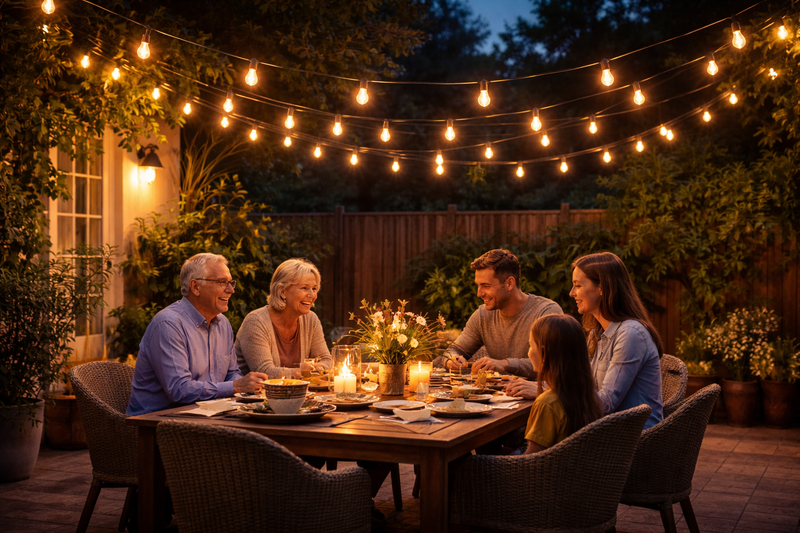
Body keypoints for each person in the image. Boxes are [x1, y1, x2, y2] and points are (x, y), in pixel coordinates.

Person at [127, 253, 267, 417]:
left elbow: (231, 373)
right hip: (155, 424)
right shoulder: (169, 324)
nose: (231, 290)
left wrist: (249, 386)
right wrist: (236, 386)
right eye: (222, 282)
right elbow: (179, 390)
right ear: (195, 287)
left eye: (231, 283)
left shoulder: (223, 324)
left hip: (206, 417)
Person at [435, 249, 563, 386]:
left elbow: (554, 363)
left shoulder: (546, 312)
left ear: (509, 283)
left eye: (486, 286)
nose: (479, 293)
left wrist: (506, 364)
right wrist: (451, 360)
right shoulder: (482, 315)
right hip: (497, 399)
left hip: (538, 399)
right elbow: (453, 350)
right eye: (478, 285)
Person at [571, 252, 663, 429]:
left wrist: (554, 391)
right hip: (608, 431)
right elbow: (586, 386)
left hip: (632, 441)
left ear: (602, 288)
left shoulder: (630, 334)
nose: (571, 293)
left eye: (577, 285)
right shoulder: (596, 333)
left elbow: (605, 404)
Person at [235, 258, 331, 377]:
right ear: (282, 292)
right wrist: (301, 371)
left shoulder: (311, 320)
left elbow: (326, 360)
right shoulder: (256, 322)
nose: (312, 295)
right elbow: (264, 372)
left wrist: (318, 368)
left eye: (314, 289)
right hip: (256, 395)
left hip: (296, 394)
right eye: (304, 288)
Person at [523, 314, 604, 453]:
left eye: (531, 346)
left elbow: (530, 461)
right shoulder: (589, 396)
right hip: (573, 470)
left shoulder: (547, 403)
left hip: (547, 473)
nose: (528, 352)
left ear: (544, 352)